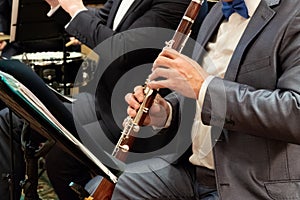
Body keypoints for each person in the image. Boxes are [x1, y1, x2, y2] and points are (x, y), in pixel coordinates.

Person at [0, 0, 209, 200]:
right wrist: (59, 5)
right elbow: (99, 19)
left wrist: (75, 8)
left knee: (61, 160)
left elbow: (123, 51)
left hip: (137, 116)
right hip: (103, 102)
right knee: (11, 119)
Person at [118, 0, 300, 199]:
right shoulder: (214, 13)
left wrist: (205, 86)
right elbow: (197, 89)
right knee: (124, 184)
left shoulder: (294, 13)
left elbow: (294, 112)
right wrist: (166, 112)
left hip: (251, 180)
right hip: (193, 171)